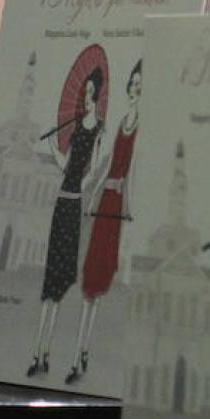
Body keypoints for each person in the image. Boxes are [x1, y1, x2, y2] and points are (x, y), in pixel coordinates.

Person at [68, 57, 141, 384]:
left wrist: (131, 206)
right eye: (134, 86)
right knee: (90, 280)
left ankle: (85, 348)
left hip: (118, 210)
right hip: (103, 207)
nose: (136, 91)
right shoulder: (123, 120)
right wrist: (92, 194)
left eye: (141, 87)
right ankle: (78, 350)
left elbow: (133, 171)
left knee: (102, 279)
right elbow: (109, 164)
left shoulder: (140, 127)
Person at [28, 63, 104, 378]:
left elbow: (91, 173)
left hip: (74, 206)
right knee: (50, 280)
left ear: (96, 97)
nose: (85, 97)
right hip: (62, 203)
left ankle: (48, 354)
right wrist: (50, 148)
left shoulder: (99, 131)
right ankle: (38, 354)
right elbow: (67, 164)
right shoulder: (74, 128)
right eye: (83, 92)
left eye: (89, 93)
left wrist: (80, 189)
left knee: (60, 279)